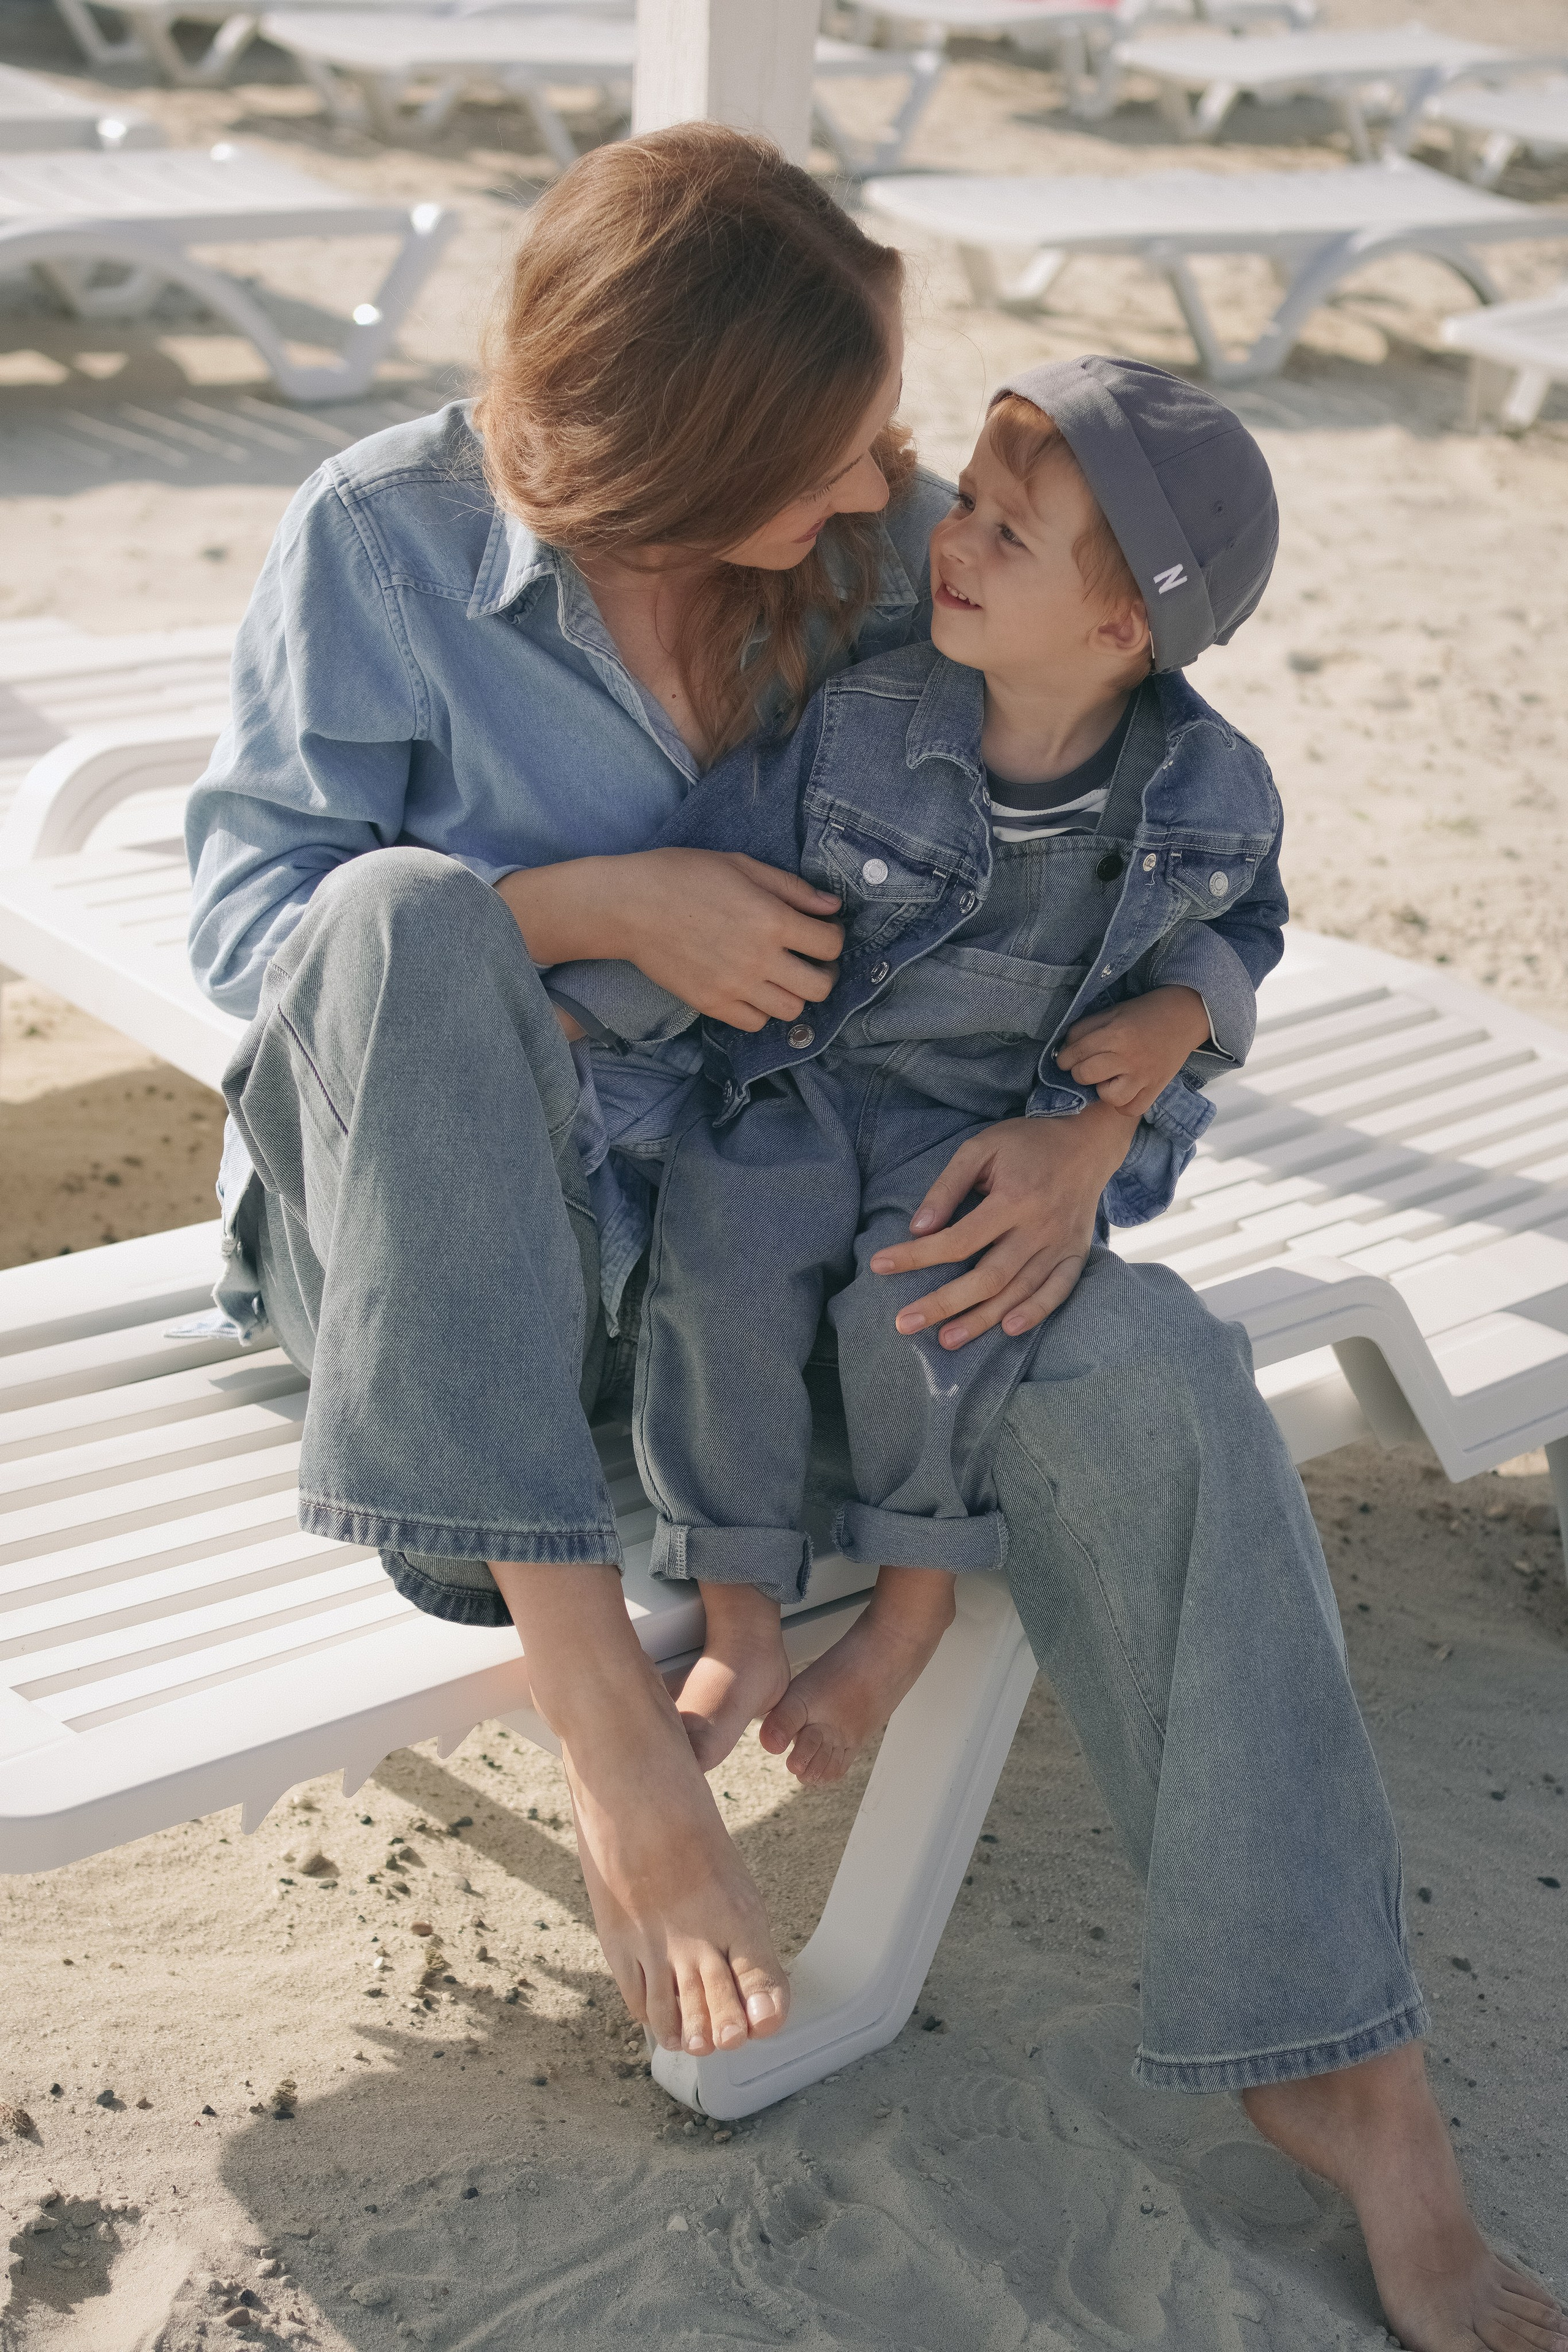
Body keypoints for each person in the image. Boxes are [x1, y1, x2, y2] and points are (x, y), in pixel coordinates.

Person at [183, 126, 1563, 2352]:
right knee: (403, 917)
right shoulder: (379, 545)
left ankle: (1349, 2075)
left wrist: (1093, 1133)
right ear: (680, 439)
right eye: (834, 446)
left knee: (1159, 1366)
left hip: (778, 1291)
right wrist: (603, 906)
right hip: (442, 1298)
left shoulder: (900, 552)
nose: (884, 485)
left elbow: (1158, 851)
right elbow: (267, 955)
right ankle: (617, 1745)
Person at [552, 357, 1286, 1785]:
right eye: (970, 503)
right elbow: (711, 876)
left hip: (989, 1122)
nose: (949, 536)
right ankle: (739, 1610)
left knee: (926, 1315)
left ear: (1120, 624)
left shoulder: (1209, 791)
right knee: (719, 1278)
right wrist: (576, 1008)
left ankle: (907, 1608)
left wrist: (1176, 1020)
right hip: (797, 1084)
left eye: (1007, 534)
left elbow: (1243, 925)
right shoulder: (858, 723)